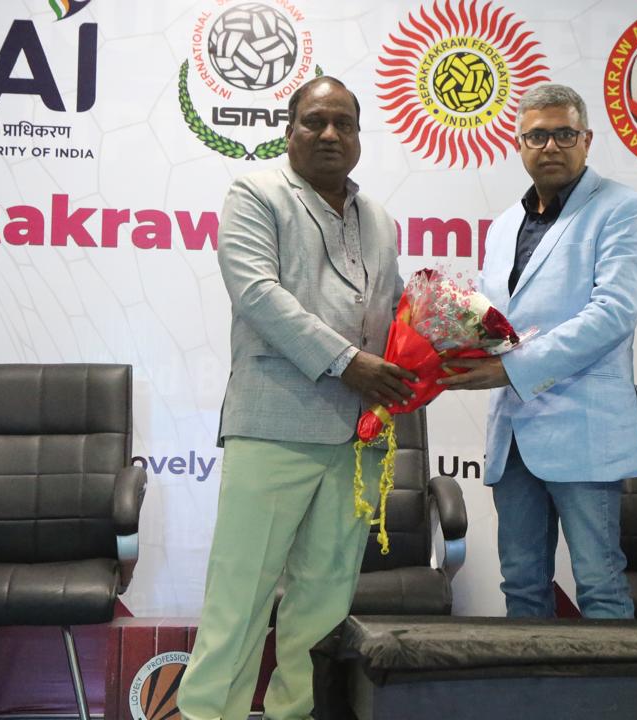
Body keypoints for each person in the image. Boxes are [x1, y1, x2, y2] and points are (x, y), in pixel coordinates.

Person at [177, 76, 414, 720]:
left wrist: (437, 347)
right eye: (315, 121)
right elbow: (258, 294)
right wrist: (349, 363)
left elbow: (392, 311)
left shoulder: (381, 220)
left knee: (324, 604)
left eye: (344, 123)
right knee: (240, 597)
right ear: (289, 131)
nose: (330, 134)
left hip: (358, 436)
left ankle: (298, 713)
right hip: (274, 425)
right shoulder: (255, 194)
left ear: (360, 137)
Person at [442, 83, 637, 619]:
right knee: (521, 586)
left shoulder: (623, 208)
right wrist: (444, 341)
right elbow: (495, 322)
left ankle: (615, 682)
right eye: (537, 136)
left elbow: (613, 314)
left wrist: (510, 369)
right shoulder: (503, 225)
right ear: (519, 144)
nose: (551, 146)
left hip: (584, 429)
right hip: (513, 435)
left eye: (564, 134)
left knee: (600, 587)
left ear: (587, 140)